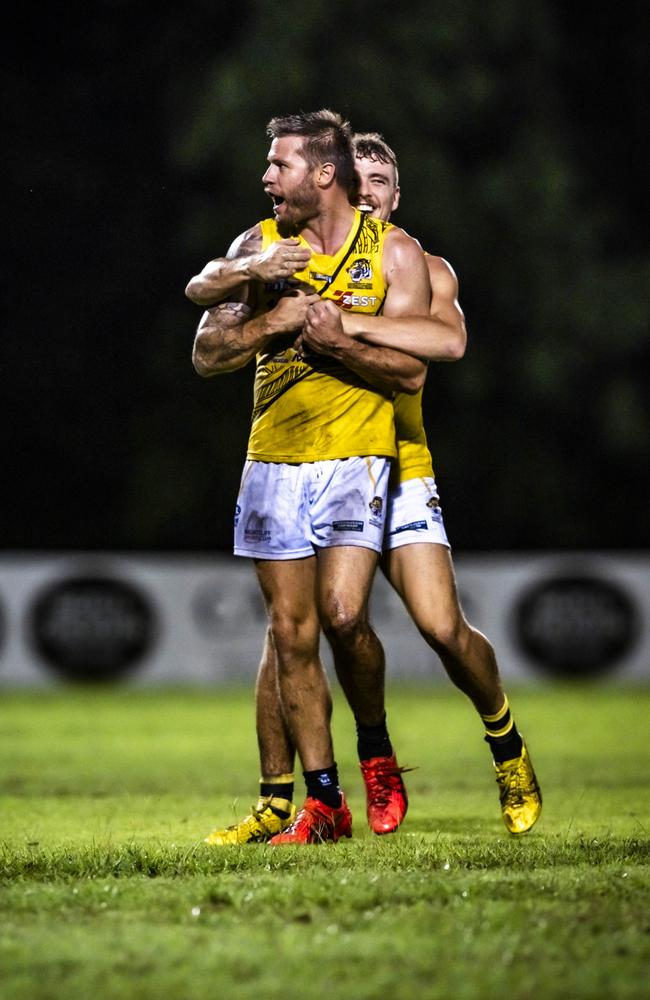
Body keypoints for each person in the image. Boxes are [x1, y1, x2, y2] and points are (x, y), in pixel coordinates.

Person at [187, 130, 542, 843]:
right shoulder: (291, 247)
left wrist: (334, 324)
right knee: (292, 633)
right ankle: (290, 796)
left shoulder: (419, 266)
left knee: (439, 626)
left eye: (384, 183)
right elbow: (205, 310)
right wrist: (260, 297)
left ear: (398, 195)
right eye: (363, 180)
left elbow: (440, 349)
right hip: (314, 456)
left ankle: (506, 745)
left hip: (400, 463)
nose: (371, 193)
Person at [189, 110, 439, 844]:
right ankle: (322, 804)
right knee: (291, 635)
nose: (267, 177)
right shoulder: (259, 248)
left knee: (341, 615)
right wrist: (267, 309)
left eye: (280, 165)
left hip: (357, 459)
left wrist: (337, 339)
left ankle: (376, 744)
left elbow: (413, 368)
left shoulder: (390, 253)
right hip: (270, 465)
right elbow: (206, 347)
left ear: (323, 174)